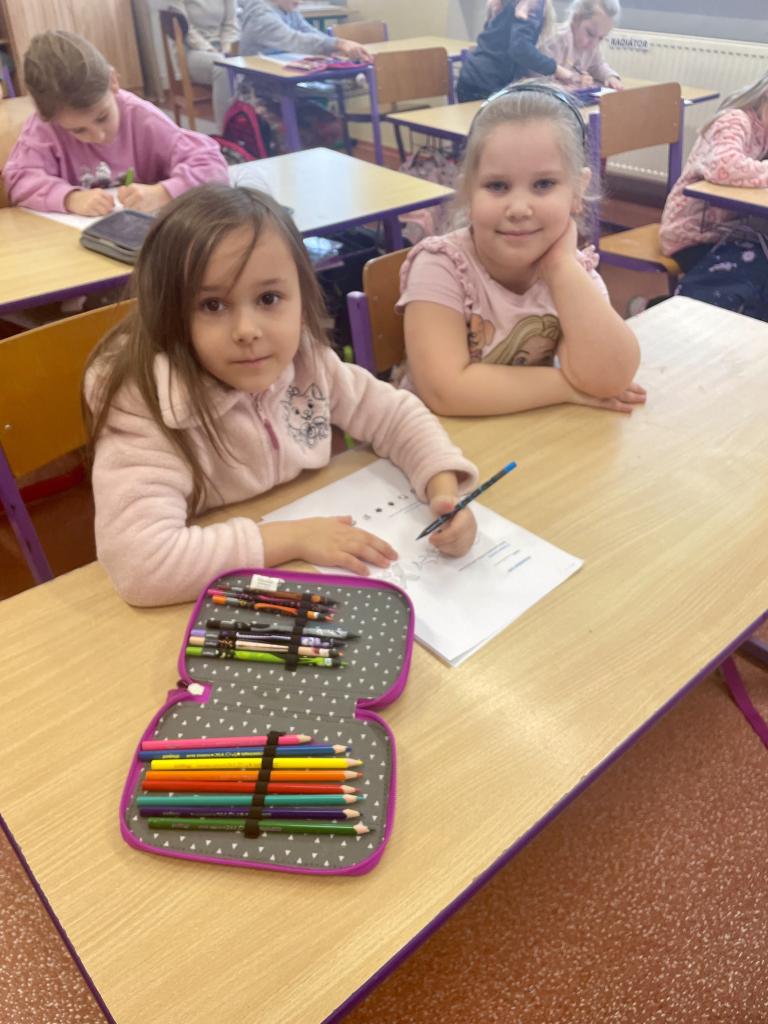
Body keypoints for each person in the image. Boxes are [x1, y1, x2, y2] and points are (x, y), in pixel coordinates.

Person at [83, 185, 479, 606]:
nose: (247, 330)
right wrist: (291, 538)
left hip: (305, 568)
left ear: (302, 297)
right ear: (169, 313)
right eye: (212, 305)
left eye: (268, 298)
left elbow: (394, 415)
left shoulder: (306, 361)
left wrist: (442, 489)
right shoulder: (147, 404)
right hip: (213, 598)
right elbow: (141, 565)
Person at [396, 82, 645, 417]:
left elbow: (609, 377)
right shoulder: (441, 265)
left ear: (577, 191)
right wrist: (567, 387)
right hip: (436, 438)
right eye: (497, 186)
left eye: (543, 184)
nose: (518, 208)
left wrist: (560, 267)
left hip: (524, 431)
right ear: (469, 191)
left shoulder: (572, 271)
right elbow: (446, 391)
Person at [3, 30, 228, 215]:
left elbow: (212, 165)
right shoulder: (45, 127)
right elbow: (19, 179)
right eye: (78, 130)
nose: (98, 135)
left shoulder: (141, 116)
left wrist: (164, 192)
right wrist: (70, 198)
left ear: (113, 82)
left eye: (102, 117)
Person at [656, 70, 768, 321]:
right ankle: (673, 318)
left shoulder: (765, 134)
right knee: (755, 270)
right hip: (692, 234)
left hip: (734, 233)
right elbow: (723, 166)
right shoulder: (735, 120)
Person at [457, 0, 580, 104]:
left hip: (473, 77)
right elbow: (520, 49)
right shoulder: (533, 3)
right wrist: (557, 70)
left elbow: (505, 44)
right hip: (486, 83)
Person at [169, 1, 240, 130]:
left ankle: (252, 126)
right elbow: (186, 30)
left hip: (223, 48)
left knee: (249, 61)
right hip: (191, 50)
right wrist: (210, 50)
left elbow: (231, 24)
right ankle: (226, 131)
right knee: (223, 67)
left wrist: (226, 50)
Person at [238, 0, 370, 62]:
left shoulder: (288, 9)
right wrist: (337, 44)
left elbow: (309, 31)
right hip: (259, 87)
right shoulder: (260, 15)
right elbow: (294, 40)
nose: (300, 1)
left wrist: (335, 47)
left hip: (285, 75)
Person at [541, 0, 622, 90]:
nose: (594, 44)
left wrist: (610, 76)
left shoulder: (592, 46)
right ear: (575, 19)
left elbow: (598, 66)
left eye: (601, 38)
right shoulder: (557, 41)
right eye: (590, 33)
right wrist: (572, 87)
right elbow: (541, 82)